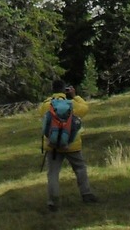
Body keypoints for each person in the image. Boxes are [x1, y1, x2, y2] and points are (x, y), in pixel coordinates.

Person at [40, 78, 96, 211]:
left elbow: (43, 116)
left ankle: (53, 201)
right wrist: (75, 96)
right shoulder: (72, 104)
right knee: (80, 168)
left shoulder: (47, 105)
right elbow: (85, 109)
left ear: (53, 90)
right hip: (72, 144)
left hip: (53, 145)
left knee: (53, 173)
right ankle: (86, 194)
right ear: (65, 90)